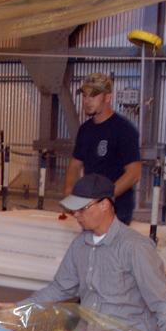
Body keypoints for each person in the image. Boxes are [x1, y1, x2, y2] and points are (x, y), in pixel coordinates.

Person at [7, 174, 166, 331]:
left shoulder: (134, 247)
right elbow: (60, 288)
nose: (76, 215)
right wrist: (19, 309)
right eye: (73, 210)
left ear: (105, 205)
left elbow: (163, 303)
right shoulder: (80, 246)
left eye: (82, 209)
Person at [66, 72, 141, 225]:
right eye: (85, 96)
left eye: (93, 96)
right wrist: (69, 192)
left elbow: (134, 173)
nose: (87, 101)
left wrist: (106, 197)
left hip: (116, 210)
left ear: (108, 97)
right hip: (91, 208)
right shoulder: (85, 130)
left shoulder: (124, 130)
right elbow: (75, 165)